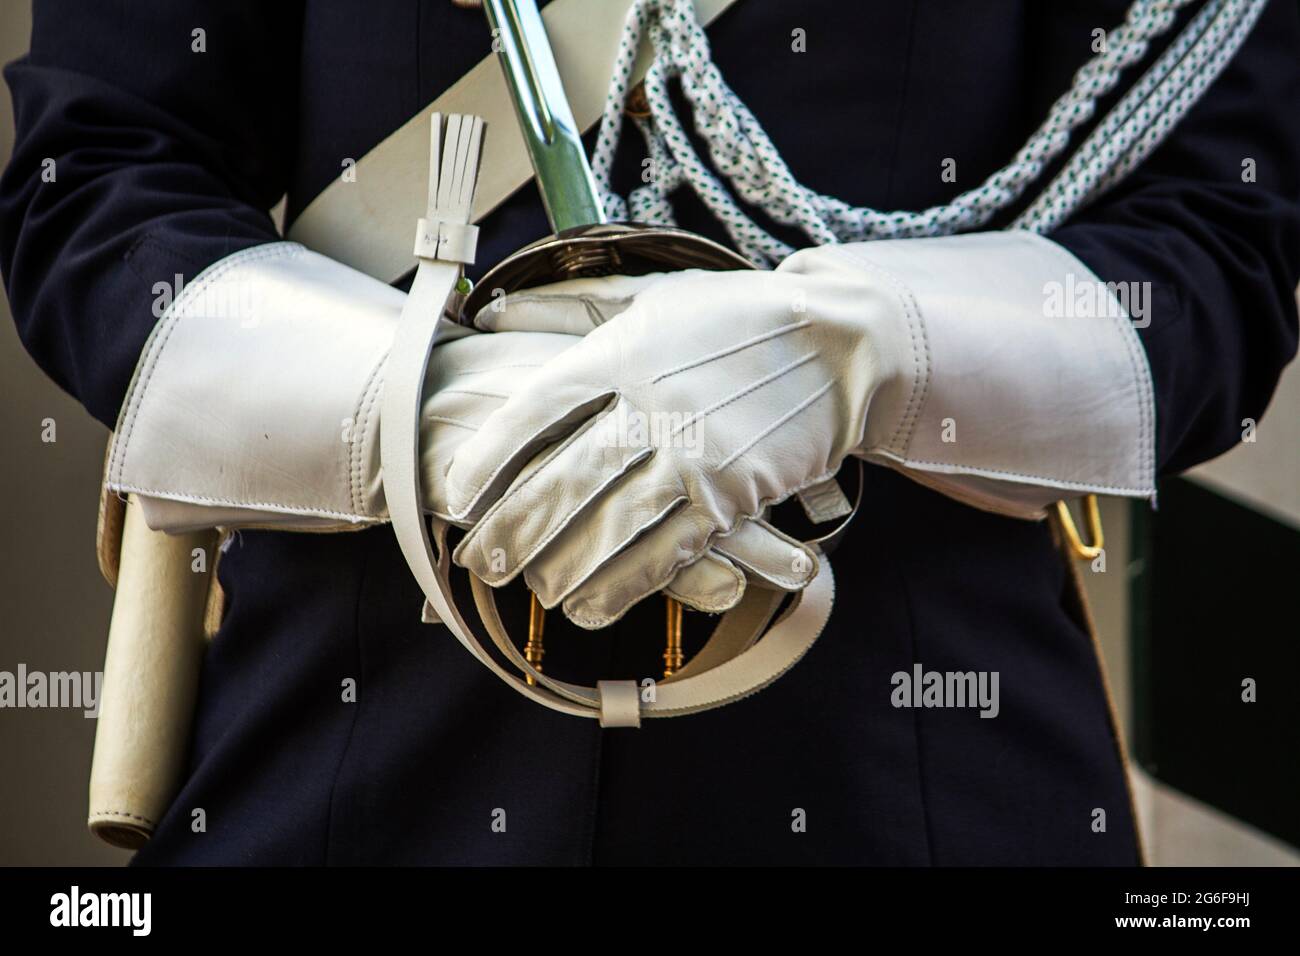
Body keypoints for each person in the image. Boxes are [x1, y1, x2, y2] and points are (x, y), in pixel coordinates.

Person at [2, 0, 1296, 865]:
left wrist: (872, 354)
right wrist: (405, 408)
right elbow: (102, 182)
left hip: (909, 778)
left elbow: (1213, 260)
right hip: (351, 766)